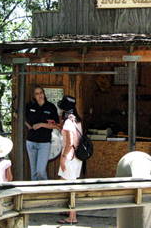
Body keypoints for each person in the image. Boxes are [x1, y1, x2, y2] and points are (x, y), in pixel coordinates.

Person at [57, 95, 83, 225]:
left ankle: (72, 217)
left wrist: (62, 158)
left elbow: (70, 143)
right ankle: (71, 212)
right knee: (70, 185)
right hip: (77, 158)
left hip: (69, 157)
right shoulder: (77, 121)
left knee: (69, 187)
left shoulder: (68, 122)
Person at [25, 85, 60, 180]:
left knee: (40, 170)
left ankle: (45, 190)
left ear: (44, 93)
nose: (40, 95)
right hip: (31, 141)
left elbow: (56, 125)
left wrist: (41, 124)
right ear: (34, 96)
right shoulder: (29, 105)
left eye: (41, 93)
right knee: (34, 172)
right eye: (37, 94)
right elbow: (23, 119)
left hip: (44, 143)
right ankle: (34, 193)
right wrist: (29, 127)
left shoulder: (51, 107)